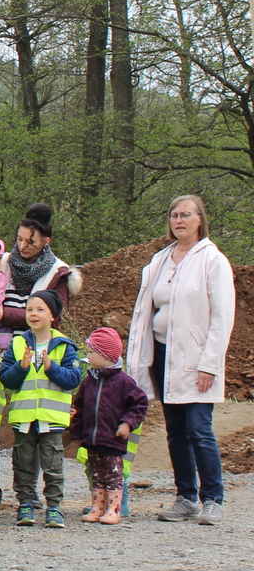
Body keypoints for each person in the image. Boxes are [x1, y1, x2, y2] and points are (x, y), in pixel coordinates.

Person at [126, 195, 233, 525]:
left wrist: (209, 363)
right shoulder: (160, 260)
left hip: (195, 356)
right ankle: (185, 496)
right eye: (174, 215)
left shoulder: (212, 261)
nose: (179, 220)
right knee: (175, 431)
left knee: (199, 429)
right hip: (162, 354)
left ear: (200, 219)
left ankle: (212, 497)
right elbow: (148, 309)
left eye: (186, 214)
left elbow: (222, 316)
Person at [0, 290, 81, 529]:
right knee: (22, 462)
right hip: (24, 417)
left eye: (39, 309)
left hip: (51, 418)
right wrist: (21, 367)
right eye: (29, 310)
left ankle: (54, 507)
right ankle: (25, 503)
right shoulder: (17, 344)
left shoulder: (64, 345)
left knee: (53, 463)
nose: (33, 314)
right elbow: (7, 379)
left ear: (53, 316)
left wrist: (51, 368)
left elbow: (74, 378)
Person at [73, 327, 149, 525]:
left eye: (91, 352)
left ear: (105, 355)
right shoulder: (89, 381)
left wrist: (127, 423)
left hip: (113, 439)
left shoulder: (123, 382)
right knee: (96, 474)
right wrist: (77, 426)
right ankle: (98, 506)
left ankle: (113, 509)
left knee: (113, 474)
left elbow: (140, 403)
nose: (87, 356)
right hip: (92, 438)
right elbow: (80, 405)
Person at [0, 203, 82, 342]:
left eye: (30, 242)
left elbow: (52, 317)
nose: (22, 246)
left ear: (46, 241)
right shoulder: (2, 262)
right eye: (19, 239)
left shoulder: (58, 272)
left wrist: (6, 314)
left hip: (34, 345)